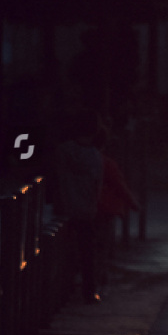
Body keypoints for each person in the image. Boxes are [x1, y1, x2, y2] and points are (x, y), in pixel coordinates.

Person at [55, 111, 105, 304]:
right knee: (87, 252)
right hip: (85, 210)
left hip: (65, 207)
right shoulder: (95, 157)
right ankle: (88, 290)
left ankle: (60, 290)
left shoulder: (63, 151)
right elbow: (96, 187)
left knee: (62, 251)